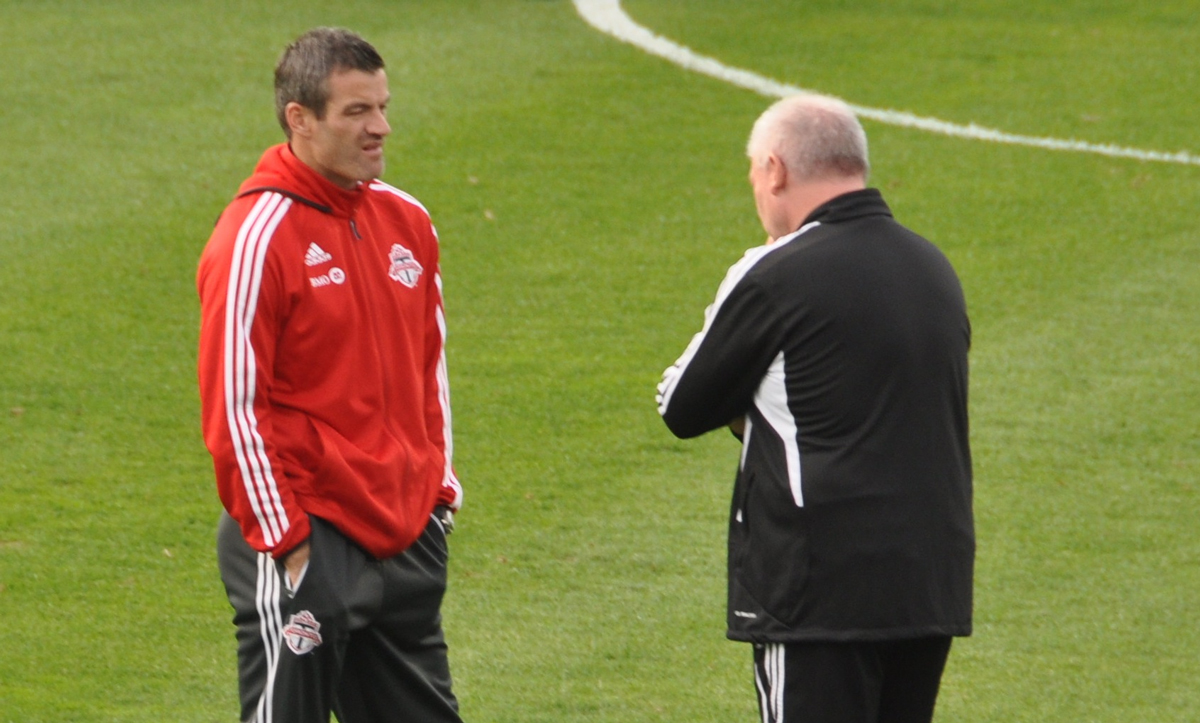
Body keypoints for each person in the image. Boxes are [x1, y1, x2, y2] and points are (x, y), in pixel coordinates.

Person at [656, 93, 974, 723]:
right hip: (927, 584)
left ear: (774, 169)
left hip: (819, 594)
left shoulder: (775, 271)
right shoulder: (933, 268)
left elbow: (682, 403)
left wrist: (751, 400)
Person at [197, 27, 465, 723]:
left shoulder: (407, 220)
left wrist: (437, 493)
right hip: (311, 534)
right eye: (356, 112)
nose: (381, 127)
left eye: (381, 106)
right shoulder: (256, 237)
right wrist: (288, 542)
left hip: (403, 534)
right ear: (300, 119)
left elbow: (427, 367)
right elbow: (235, 405)